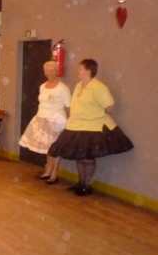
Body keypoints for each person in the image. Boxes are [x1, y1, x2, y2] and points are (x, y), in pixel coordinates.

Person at [48, 59, 133, 196]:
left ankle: (86, 185)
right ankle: (81, 183)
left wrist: (95, 113)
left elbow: (109, 106)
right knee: (79, 156)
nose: (78, 71)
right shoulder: (78, 85)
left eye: (80, 69)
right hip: (76, 126)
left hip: (92, 128)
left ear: (88, 71)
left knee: (87, 158)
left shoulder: (98, 87)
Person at [19, 61, 71, 184]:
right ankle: (48, 170)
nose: (48, 72)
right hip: (41, 118)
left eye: (51, 70)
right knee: (47, 148)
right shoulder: (42, 86)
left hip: (56, 121)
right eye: (46, 70)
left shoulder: (63, 88)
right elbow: (42, 103)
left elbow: (69, 107)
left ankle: (54, 173)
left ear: (56, 71)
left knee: (55, 148)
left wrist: (69, 123)